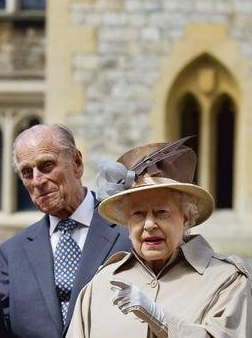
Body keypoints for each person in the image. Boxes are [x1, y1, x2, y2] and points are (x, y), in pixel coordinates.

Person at [67, 138, 252, 337]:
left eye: (161, 212)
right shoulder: (101, 283)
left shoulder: (226, 280)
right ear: (127, 223)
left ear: (186, 218)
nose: (149, 225)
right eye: (138, 214)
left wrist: (160, 318)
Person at [0, 124, 131, 338]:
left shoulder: (128, 231)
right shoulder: (12, 253)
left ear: (77, 163)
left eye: (46, 166)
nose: (38, 181)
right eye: (27, 172)